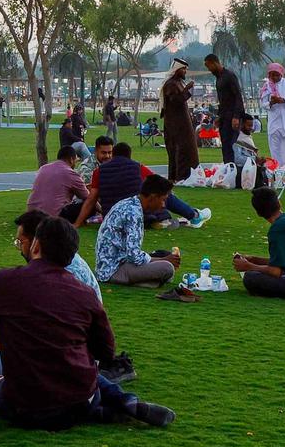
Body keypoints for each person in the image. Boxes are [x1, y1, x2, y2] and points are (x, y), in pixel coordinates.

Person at [0, 217, 174, 431]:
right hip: (80, 399)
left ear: (36, 245)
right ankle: (119, 404)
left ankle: (107, 410)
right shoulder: (84, 293)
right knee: (81, 374)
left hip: (25, 407)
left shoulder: (7, 281)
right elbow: (105, 352)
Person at [73, 140, 209, 230]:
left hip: (110, 218)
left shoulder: (98, 171)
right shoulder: (136, 167)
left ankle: (162, 218)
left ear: (114, 155)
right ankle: (194, 216)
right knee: (165, 195)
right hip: (133, 214)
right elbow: (157, 182)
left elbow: (91, 198)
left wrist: (77, 223)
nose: (107, 156)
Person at [94, 175, 182, 288]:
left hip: (112, 264)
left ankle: (148, 281)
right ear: (152, 197)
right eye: (163, 200)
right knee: (167, 268)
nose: (163, 205)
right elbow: (133, 256)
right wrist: (163, 260)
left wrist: (161, 258)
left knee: (163, 255)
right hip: (114, 270)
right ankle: (145, 282)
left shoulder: (129, 204)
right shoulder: (133, 213)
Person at [28, 145, 91, 222]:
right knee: (91, 205)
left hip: (32, 214)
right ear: (71, 159)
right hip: (54, 215)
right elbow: (89, 198)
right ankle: (79, 221)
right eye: (75, 160)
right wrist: (102, 210)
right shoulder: (70, 173)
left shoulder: (43, 168)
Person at [160, 58, 199, 182]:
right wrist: (187, 89)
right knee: (181, 149)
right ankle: (181, 176)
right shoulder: (171, 84)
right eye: (183, 69)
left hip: (181, 122)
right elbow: (175, 100)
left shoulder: (177, 82)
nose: (185, 72)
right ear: (177, 70)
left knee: (185, 149)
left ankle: (182, 176)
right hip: (176, 124)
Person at [204, 54, 245, 165]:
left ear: (214, 63)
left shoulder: (229, 76)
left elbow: (237, 97)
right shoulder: (219, 79)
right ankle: (228, 168)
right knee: (225, 145)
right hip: (224, 117)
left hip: (232, 116)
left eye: (209, 66)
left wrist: (236, 116)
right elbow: (223, 101)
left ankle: (235, 169)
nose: (209, 69)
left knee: (232, 145)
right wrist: (219, 116)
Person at [258, 62, 285, 167]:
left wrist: (283, 100)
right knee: (275, 148)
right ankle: (278, 173)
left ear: (281, 74)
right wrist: (271, 103)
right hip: (274, 121)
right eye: (272, 75)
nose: (274, 77)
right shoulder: (267, 87)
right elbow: (263, 104)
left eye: (276, 74)